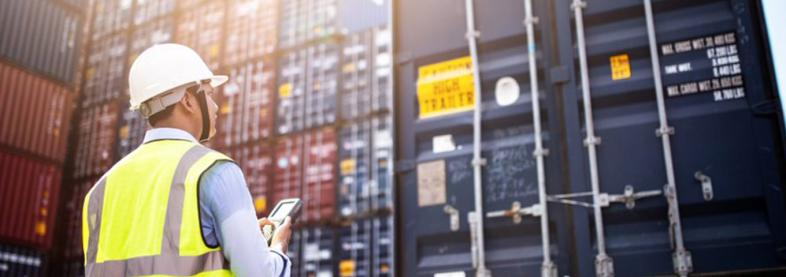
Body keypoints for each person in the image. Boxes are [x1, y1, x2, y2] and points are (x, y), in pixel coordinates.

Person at [82, 43, 292, 276]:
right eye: (210, 94)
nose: (215, 106)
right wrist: (276, 250)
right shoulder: (215, 172)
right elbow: (258, 274)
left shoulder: (97, 194)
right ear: (188, 101)